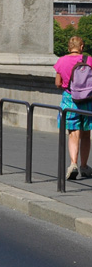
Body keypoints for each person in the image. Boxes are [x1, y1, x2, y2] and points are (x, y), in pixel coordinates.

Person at [54, 36, 92, 180]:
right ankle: (84, 166)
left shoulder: (61, 61)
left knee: (73, 133)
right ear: (81, 47)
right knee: (86, 133)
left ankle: (73, 164)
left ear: (69, 47)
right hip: (88, 100)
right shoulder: (89, 60)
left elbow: (58, 83)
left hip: (70, 99)